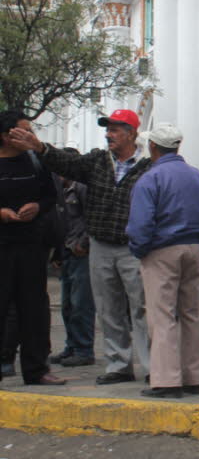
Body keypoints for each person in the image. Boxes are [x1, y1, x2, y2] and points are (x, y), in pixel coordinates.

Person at [9, 109, 152, 385]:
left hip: (132, 248)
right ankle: (118, 365)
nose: (108, 134)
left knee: (141, 307)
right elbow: (66, 164)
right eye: (107, 129)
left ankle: (150, 366)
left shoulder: (147, 165)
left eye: (115, 129)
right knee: (108, 307)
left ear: (132, 133)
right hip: (100, 245)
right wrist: (39, 147)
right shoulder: (98, 161)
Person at [126, 124, 199, 398]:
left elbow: (140, 224)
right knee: (190, 313)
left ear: (153, 147)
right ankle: (192, 376)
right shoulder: (197, 176)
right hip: (193, 247)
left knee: (162, 316)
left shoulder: (150, 179)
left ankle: (167, 380)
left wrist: (139, 250)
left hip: (161, 250)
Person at [0, 111, 65, 385]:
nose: (30, 136)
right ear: (5, 136)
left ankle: (36, 368)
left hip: (31, 244)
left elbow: (51, 196)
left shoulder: (36, 162)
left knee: (34, 308)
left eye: (31, 131)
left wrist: (37, 207)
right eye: (23, 131)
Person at [49, 157, 96, 367]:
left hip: (81, 254)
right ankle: (71, 346)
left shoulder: (82, 189)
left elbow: (92, 218)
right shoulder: (60, 192)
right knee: (67, 304)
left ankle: (84, 349)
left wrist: (83, 243)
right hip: (67, 252)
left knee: (81, 303)